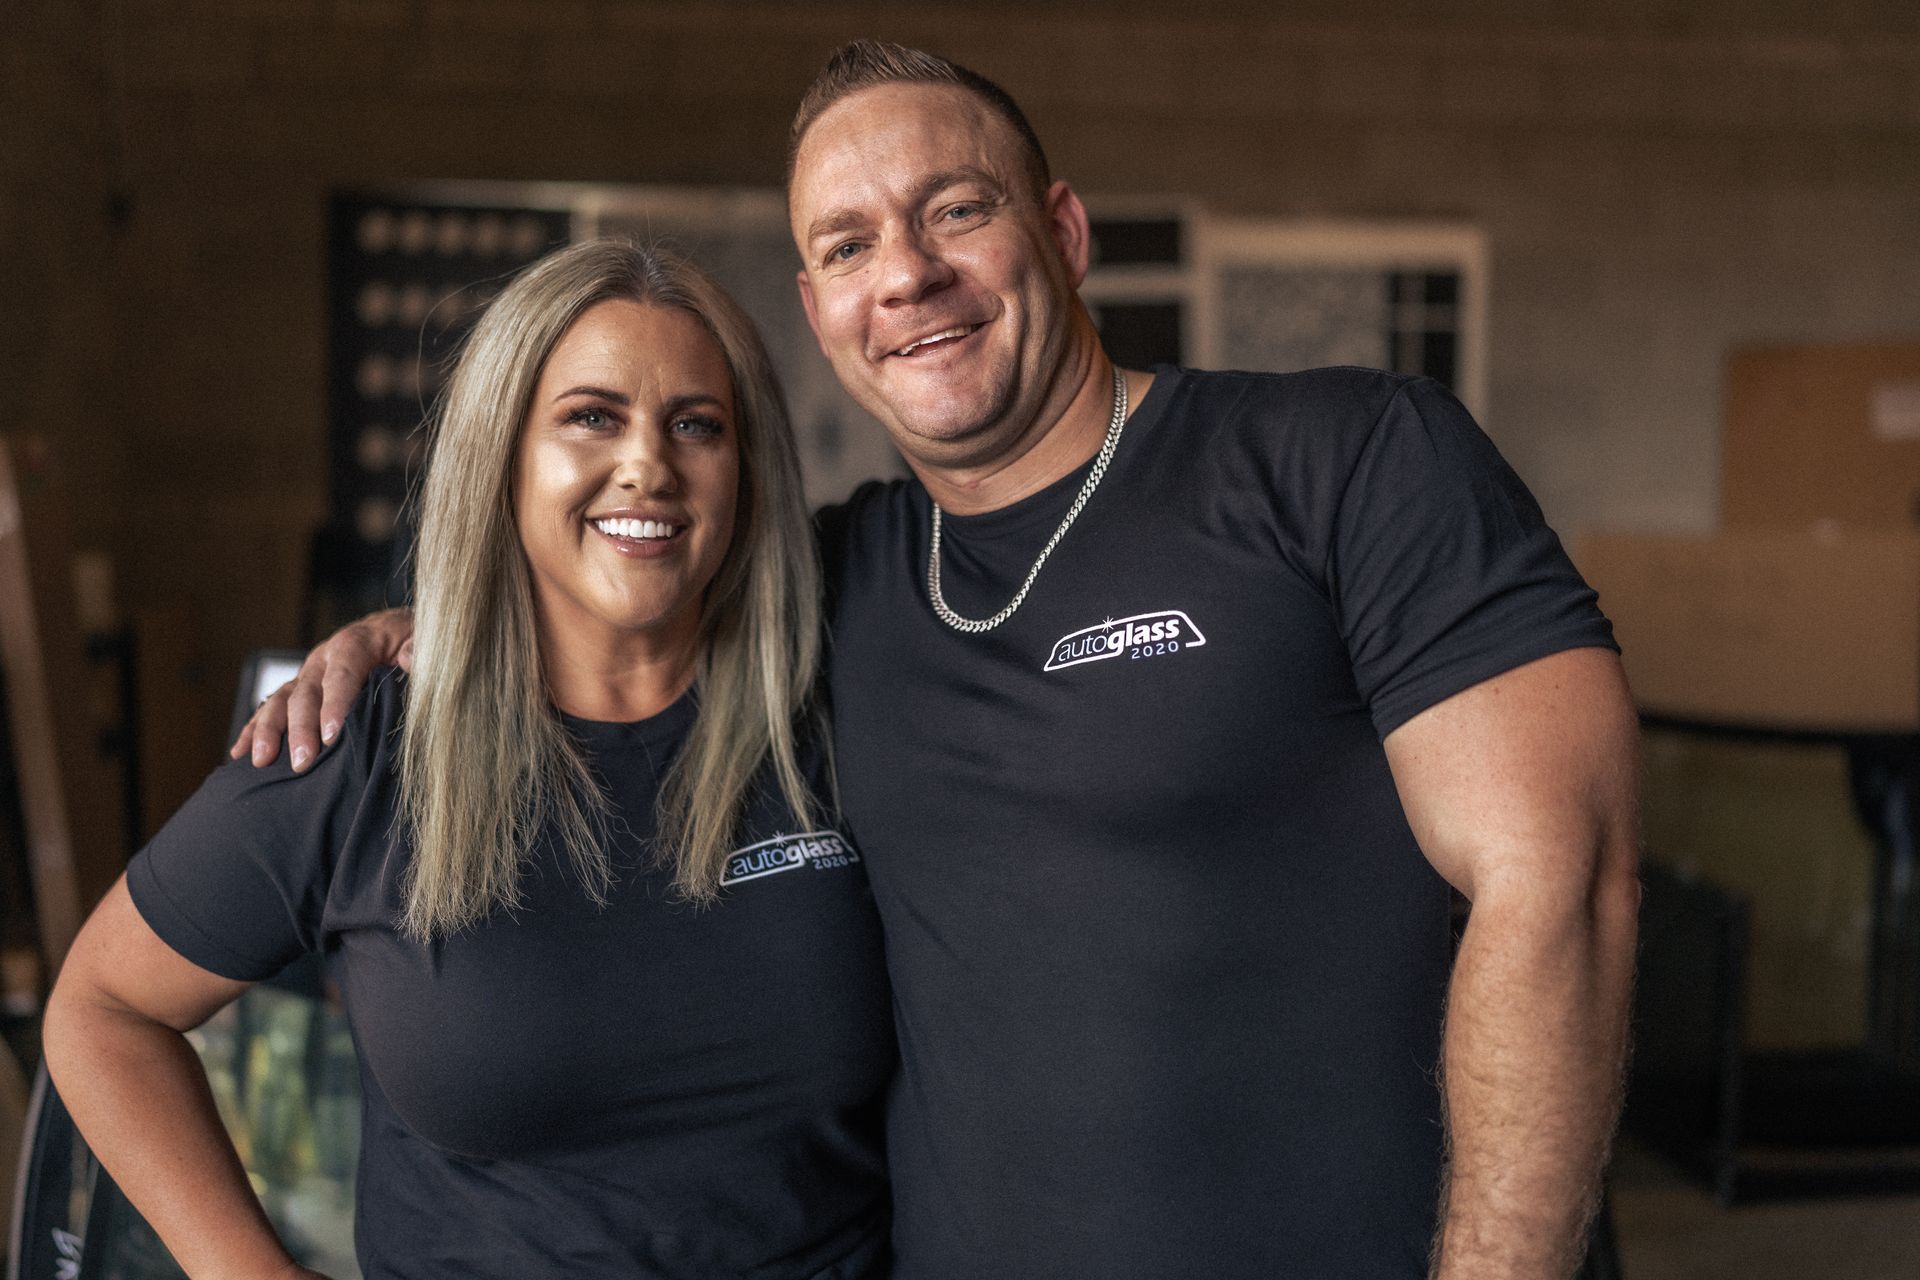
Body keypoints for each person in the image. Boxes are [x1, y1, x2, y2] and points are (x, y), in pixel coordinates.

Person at [241, 41, 1641, 1280]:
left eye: (954, 211)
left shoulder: (1347, 459)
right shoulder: (835, 582)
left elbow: (1560, 884)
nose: (905, 272)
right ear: (819, 307)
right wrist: (407, 633)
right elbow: (612, 585)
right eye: (848, 245)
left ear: (1064, 229)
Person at [45, 241, 895, 1280]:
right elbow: (102, 1008)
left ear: (746, 468)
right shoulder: (364, 746)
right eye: (591, 415)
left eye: (697, 424)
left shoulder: (841, 715)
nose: (648, 463)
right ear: (503, 454)